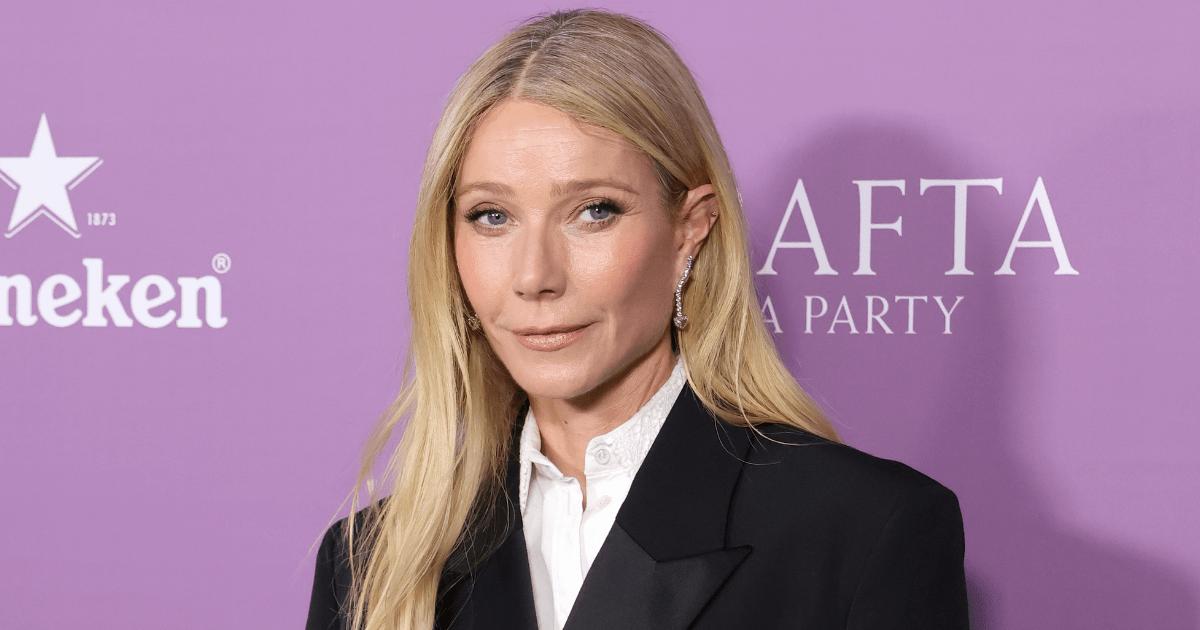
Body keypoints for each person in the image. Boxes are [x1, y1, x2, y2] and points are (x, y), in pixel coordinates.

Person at [306, 9, 968, 630]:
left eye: (594, 211)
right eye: (492, 216)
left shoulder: (864, 530)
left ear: (690, 230)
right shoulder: (369, 564)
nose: (535, 275)